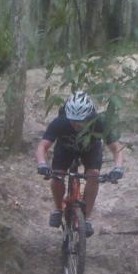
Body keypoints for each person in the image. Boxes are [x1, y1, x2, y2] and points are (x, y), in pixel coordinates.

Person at [35, 91, 125, 237]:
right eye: (73, 120)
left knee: (93, 176)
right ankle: (58, 209)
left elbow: (117, 148)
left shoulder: (99, 122)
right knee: (57, 175)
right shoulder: (60, 122)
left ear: (89, 116)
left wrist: (118, 168)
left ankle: (87, 218)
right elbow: (42, 146)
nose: (76, 123)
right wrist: (42, 164)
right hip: (65, 149)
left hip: (90, 150)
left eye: (81, 120)